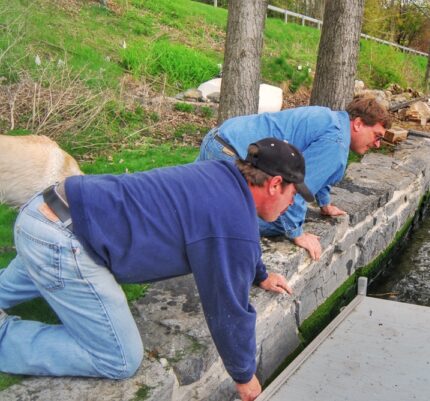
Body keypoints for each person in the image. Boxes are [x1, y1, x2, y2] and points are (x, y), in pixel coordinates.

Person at [0, 138, 313, 401]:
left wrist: (260, 274)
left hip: (45, 212)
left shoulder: (222, 176)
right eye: (293, 194)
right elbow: (227, 307)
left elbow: (238, 246)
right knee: (120, 358)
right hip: (64, 242)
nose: (293, 204)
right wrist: (245, 378)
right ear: (274, 184)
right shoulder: (231, 222)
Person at [197, 96, 391, 261]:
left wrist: (324, 203)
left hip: (220, 138)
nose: (377, 144)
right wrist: (296, 233)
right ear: (357, 124)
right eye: (377, 136)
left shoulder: (330, 120)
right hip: (235, 155)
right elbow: (296, 189)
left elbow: (314, 167)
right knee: (276, 220)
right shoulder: (337, 143)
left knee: (195, 198)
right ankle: (212, 228)